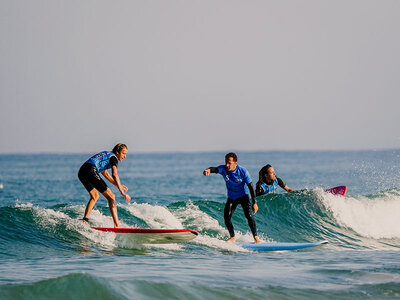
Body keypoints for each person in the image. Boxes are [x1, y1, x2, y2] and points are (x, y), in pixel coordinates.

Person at [203, 152, 261, 243]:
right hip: (232, 197)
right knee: (227, 217)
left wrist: (254, 203)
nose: (227, 165)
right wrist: (208, 170)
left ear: (235, 163)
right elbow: (214, 169)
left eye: (229, 163)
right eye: (226, 162)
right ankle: (232, 237)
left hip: (243, 196)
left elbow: (251, 187)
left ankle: (256, 238)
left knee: (249, 216)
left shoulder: (243, 171)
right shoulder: (223, 169)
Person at [78, 143, 131, 228]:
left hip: (82, 171)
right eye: (123, 153)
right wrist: (121, 192)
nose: (125, 156)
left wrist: (119, 185)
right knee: (111, 197)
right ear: (117, 152)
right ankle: (117, 225)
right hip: (91, 170)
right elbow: (115, 174)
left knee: (95, 196)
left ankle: (85, 220)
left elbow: (105, 173)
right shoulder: (113, 158)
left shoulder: (107, 154)